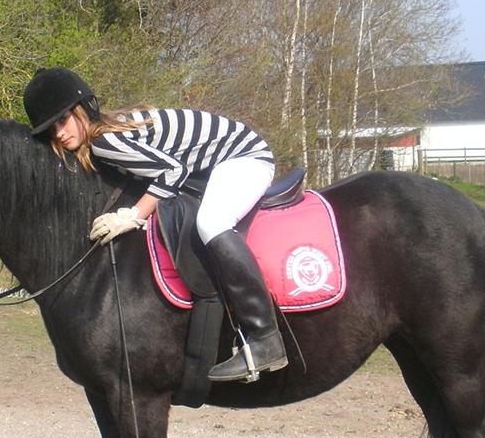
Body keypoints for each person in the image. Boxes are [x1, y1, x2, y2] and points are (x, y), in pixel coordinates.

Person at [22, 66, 287, 382]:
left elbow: (173, 172)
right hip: (220, 162)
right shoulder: (103, 134)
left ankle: (264, 337)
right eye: (51, 131)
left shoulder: (104, 141)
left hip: (245, 156)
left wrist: (132, 215)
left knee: (212, 222)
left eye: (62, 120)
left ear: (81, 108)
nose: (60, 133)